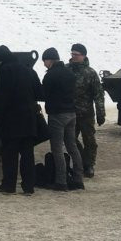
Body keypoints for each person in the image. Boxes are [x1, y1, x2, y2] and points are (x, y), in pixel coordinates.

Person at [0, 45, 43, 195]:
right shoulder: (28, 70)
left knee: (10, 155)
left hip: (11, 121)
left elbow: (1, 98)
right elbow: (40, 93)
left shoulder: (4, 71)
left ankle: (9, 185)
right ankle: (29, 187)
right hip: (28, 119)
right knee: (27, 154)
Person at [41, 47, 84, 191]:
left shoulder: (50, 76)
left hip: (57, 115)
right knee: (72, 146)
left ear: (49, 60)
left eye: (44, 61)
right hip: (71, 113)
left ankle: (61, 181)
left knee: (57, 149)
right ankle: (78, 179)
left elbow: (43, 94)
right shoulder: (69, 73)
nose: (44, 64)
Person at [68, 42, 105, 177]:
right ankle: (81, 161)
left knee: (89, 140)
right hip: (70, 112)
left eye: (76, 54)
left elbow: (98, 95)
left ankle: (89, 165)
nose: (74, 57)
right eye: (72, 54)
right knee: (70, 139)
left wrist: (101, 113)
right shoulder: (67, 70)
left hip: (86, 113)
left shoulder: (90, 73)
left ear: (83, 56)